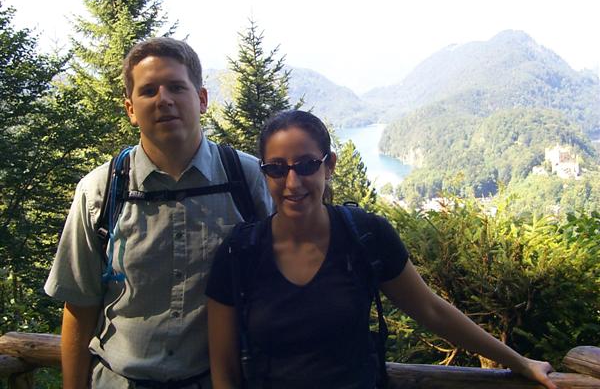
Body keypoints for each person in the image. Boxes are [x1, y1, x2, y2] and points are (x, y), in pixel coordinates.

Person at [205, 110, 557, 389]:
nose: (292, 182)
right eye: (277, 169)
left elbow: (432, 311)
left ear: (329, 166)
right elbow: (225, 372)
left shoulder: (366, 236)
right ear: (264, 172)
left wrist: (519, 362)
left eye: (307, 165)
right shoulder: (240, 252)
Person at [44, 37, 273, 388]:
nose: (163, 99)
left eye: (177, 87)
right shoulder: (100, 191)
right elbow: (80, 306)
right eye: (148, 90)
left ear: (202, 99)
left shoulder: (248, 178)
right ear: (131, 108)